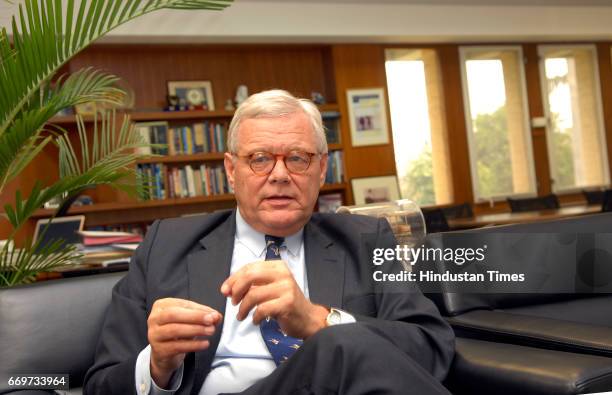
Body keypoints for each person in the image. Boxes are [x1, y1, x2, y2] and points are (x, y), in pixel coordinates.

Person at [84, 90, 455, 395]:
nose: (279, 175)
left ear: (322, 169)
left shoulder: (365, 240)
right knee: (339, 344)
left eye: (297, 158)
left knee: (336, 340)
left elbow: (431, 347)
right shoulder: (166, 244)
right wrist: (158, 365)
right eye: (259, 159)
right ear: (231, 170)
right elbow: (100, 386)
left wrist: (319, 320)